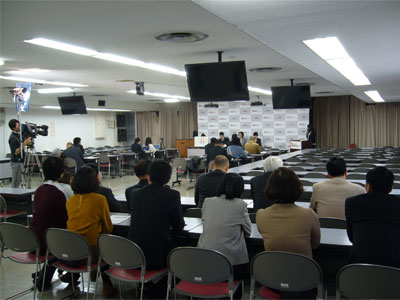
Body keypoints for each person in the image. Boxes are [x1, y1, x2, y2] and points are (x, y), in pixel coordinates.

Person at [256, 167, 320, 299]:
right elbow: (315, 244)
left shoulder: (261, 215)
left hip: (271, 279)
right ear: (297, 188)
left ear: (270, 188)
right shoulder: (309, 215)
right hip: (303, 281)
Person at [128, 160, 184, 298]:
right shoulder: (172, 195)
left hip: (133, 254)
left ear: (149, 175)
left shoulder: (134, 193)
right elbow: (179, 225)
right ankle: (161, 287)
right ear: (168, 177)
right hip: (157, 256)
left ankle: (149, 286)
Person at [198, 173, 251, 295]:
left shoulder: (207, 201)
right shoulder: (240, 204)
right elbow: (248, 231)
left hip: (204, 258)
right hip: (231, 263)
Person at [67, 166, 116, 298]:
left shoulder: (71, 201)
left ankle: (73, 278)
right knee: (105, 244)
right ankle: (107, 284)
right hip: (90, 254)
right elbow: (108, 228)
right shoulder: (99, 199)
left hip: (69, 251)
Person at [345, 167, 400, 268]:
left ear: (368, 186)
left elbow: (351, 236)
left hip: (358, 265)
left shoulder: (352, 202)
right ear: (391, 188)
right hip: (395, 266)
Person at [29, 156, 68, 290]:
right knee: (71, 240)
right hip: (49, 240)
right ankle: (71, 276)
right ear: (61, 173)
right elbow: (64, 219)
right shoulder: (58, 192)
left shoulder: (39, 189)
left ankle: (43, 276)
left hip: (34, 236)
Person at [8, 119, 31, 187]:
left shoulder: (18, 135)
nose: (19, 127)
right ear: (13, 127)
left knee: (18, 180)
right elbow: (16, 152)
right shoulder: (12, 138)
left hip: (20, 161)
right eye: (18, 126)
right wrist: (24, 144)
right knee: (15, 180)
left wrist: (27, 141)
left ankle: (16, 193)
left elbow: (22, 144)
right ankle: (12, 195)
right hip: (16, 162)